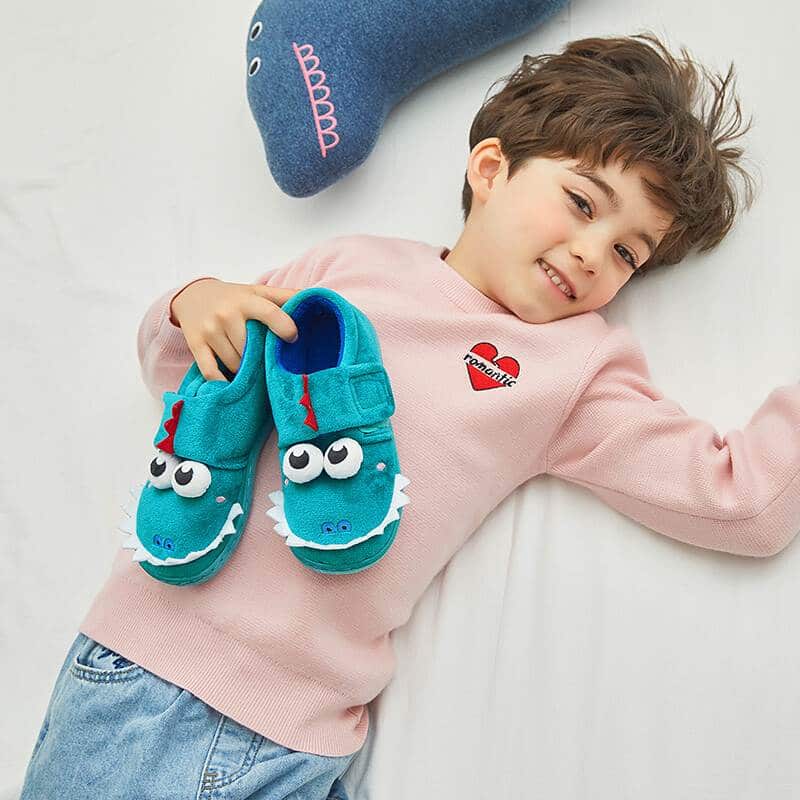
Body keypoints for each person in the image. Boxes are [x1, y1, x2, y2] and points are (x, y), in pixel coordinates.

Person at [21, 30, 779, 800]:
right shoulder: (351, 267)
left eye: (627, 255)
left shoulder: (573, 368)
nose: (592, 253)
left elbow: (740, 502)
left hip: (310, 738)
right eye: (582, 204)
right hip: (156, 688)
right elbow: (186, 377)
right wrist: (192, 302)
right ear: (491, 169)